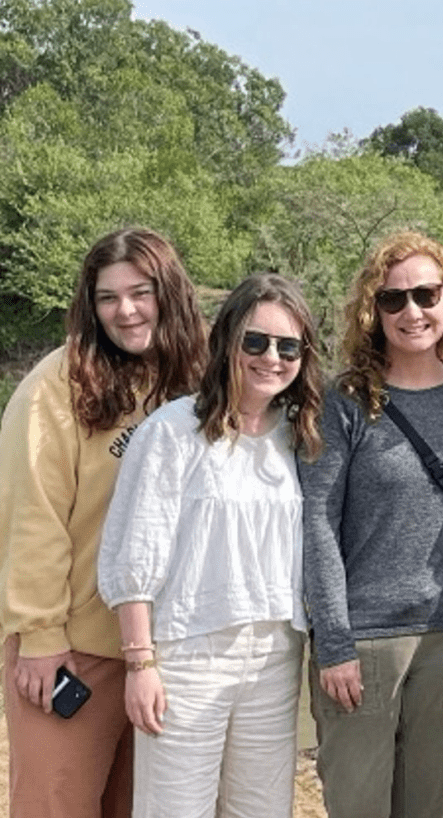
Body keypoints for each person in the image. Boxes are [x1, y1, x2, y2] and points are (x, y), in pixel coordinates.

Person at [300, 231, 443, 818]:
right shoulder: (344, 401)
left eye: (426, 295)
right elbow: (317, 523)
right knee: (358, 802)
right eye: (394, 300)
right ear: (373, 311)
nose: (412, 312)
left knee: (433, 804)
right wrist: (334, 640)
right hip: (363, 641)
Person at [0, 227, 207, 818]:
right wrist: (39, 638)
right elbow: (30, 517)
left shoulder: (201, 377)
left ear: (171, 293)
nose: (126, 311)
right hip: (75, 650)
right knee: (54, 806)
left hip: (170, 652)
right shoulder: (56, 386)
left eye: (141, 292)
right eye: (107, 297)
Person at [98, 273, 322, 817]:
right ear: (226, 342)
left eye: (288, 346)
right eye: (256, 341)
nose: (272, 357)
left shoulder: (303, 436)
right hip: (187, 655)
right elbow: (135, 553)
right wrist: (139, 664)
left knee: (261, 810)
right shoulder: (173, 432)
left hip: (274, 656)